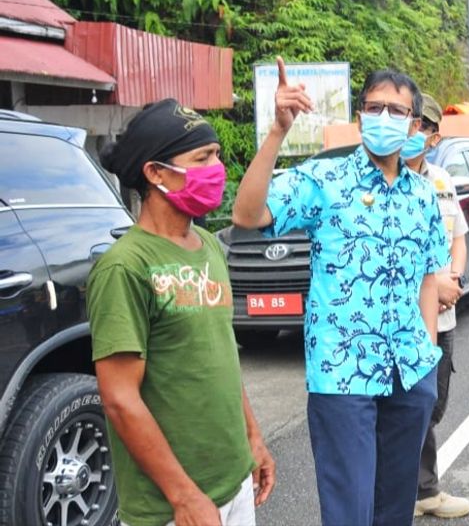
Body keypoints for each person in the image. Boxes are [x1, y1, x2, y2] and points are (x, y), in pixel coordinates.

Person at [232, 60, 449, 525]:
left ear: (414, 125)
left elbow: (430, 277)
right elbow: (248, 214)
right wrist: (277, 131)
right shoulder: (324, 181)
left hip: (410, 373)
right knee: (350, 512)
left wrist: (427, 356)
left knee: (395, 512)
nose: (385, 118)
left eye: (397, 111)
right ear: (360, 115)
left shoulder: (423, 194)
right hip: (342, 375)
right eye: (376, 107)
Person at [88, 99, 275, 526]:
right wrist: (184, 496)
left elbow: (222, 355)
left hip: (233, 484)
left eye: (217, 156)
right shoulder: (125, 267)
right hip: (173, 507)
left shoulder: (208, 245)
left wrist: (253, 439)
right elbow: (119, 399)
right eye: (202, 158)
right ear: (155, 173)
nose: (217, 168)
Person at [402, 94, 469, 519]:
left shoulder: (442, 180)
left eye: (421, 126)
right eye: (408, 123)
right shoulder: (384, 184)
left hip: (444, 315)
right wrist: (433, 286)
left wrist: (455, 280)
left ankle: (421, 488)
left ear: (433, 136)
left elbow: (458, 237)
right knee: (407, 407)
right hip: (406, 317)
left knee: (432, 404)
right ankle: (415, 489)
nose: (414, 133)